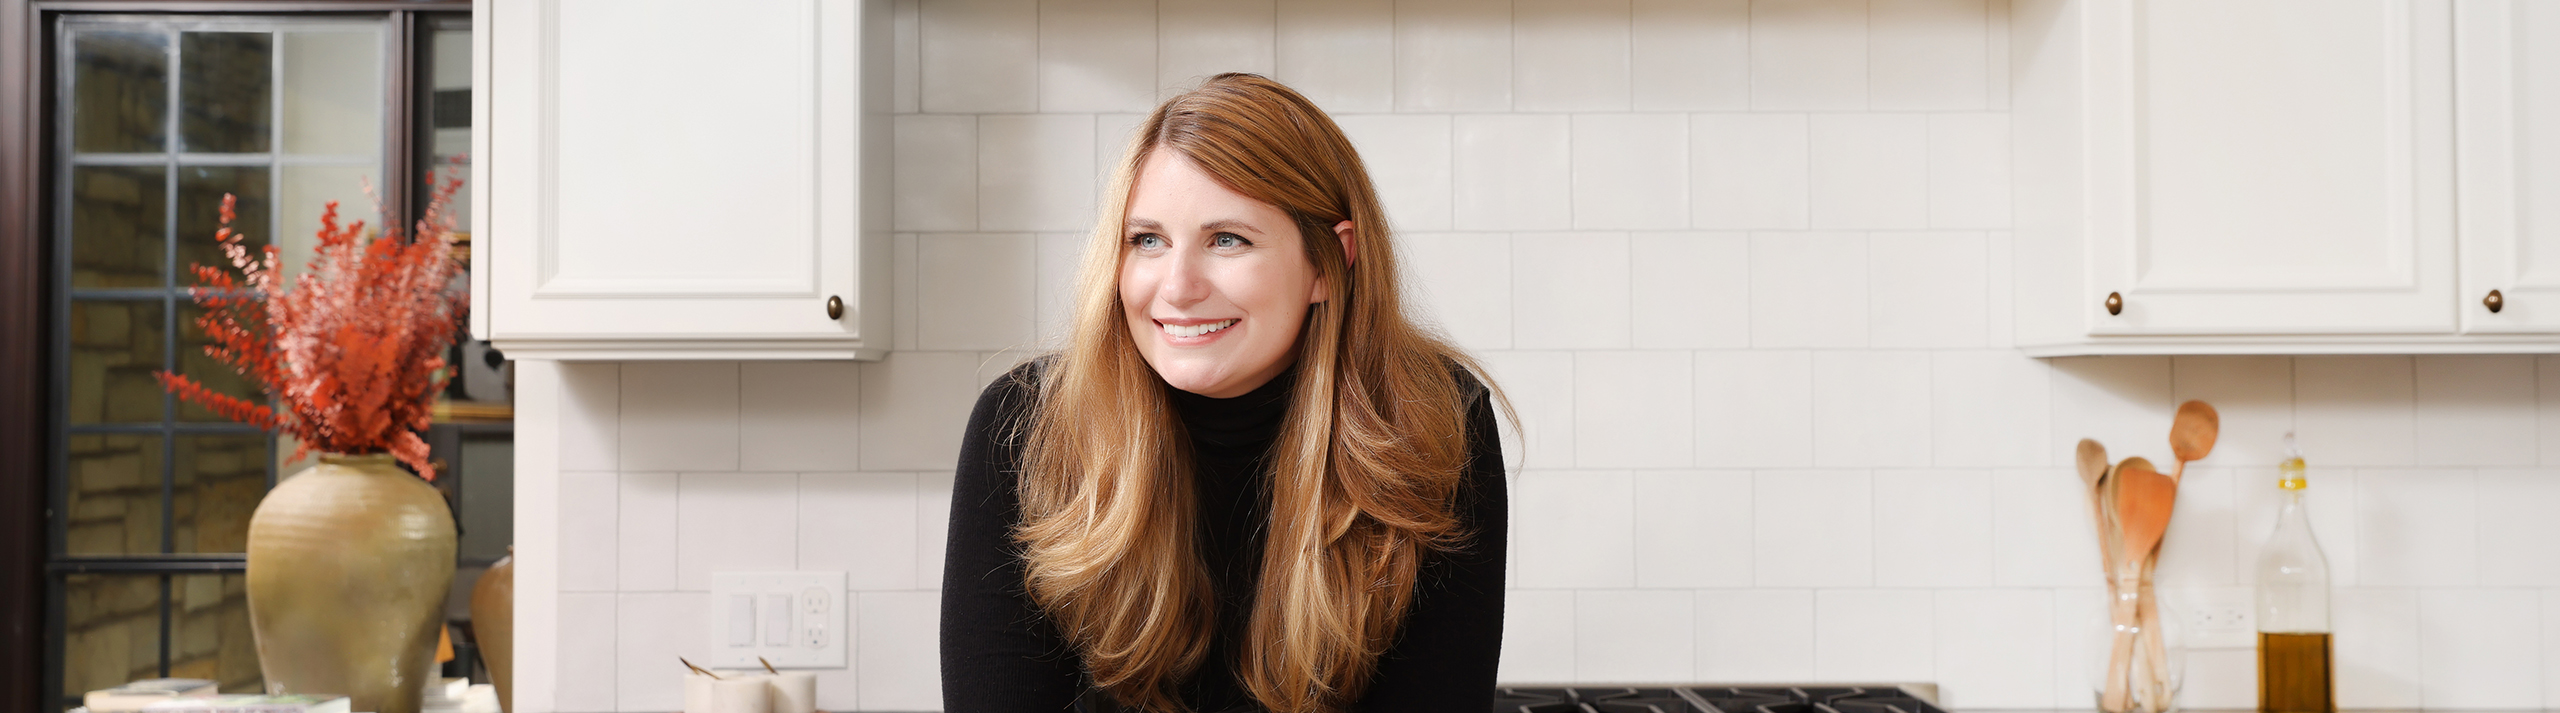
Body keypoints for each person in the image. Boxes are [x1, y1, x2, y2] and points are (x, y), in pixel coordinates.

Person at [939, 73, 1511, 713]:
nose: (1177, 287)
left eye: (1227, 240)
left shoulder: (1435, 420)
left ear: (1328, 263)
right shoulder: (1025, 425)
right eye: (1148, 241)